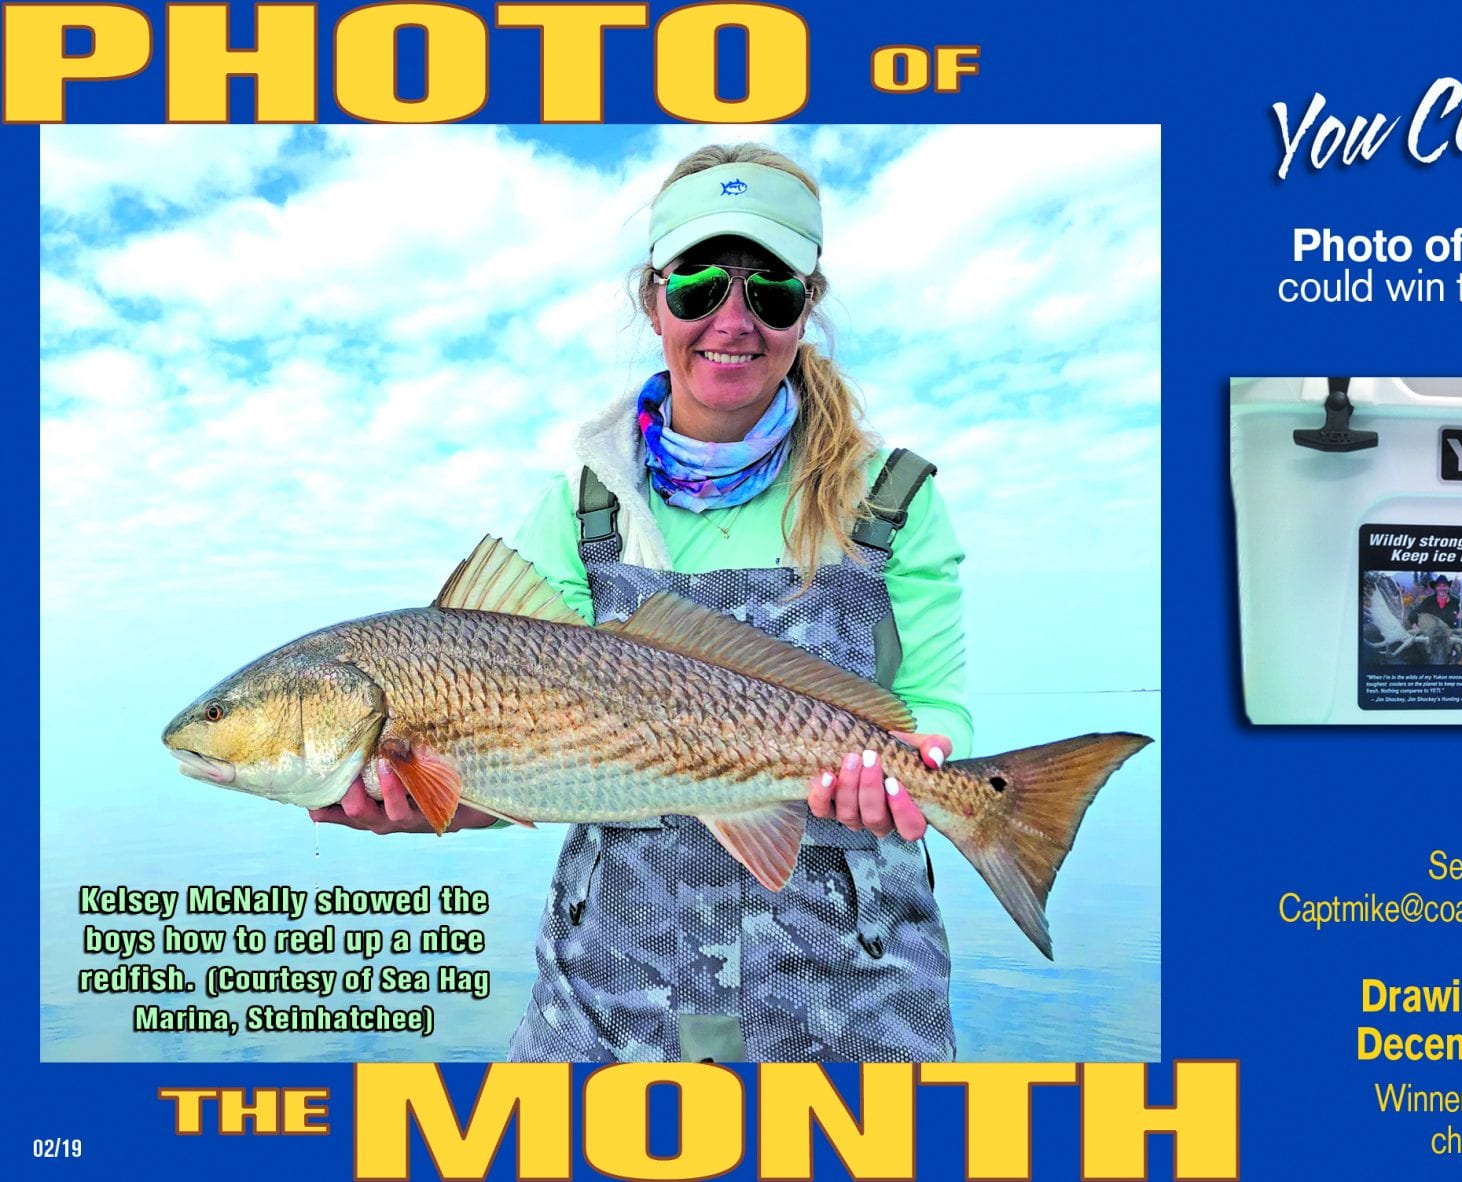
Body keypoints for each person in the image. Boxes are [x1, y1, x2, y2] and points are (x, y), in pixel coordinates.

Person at [310, 143, 971, 1063]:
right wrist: (432, 802)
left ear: (808, 306)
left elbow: (932, 709)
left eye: (771, 291)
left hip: (853, 1006)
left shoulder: (892, 498)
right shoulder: (580, 507)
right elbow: (525, 754)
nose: (732, 320)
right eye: (697, 286)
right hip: (608, 1010)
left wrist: (922, 769)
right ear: (654, 300)